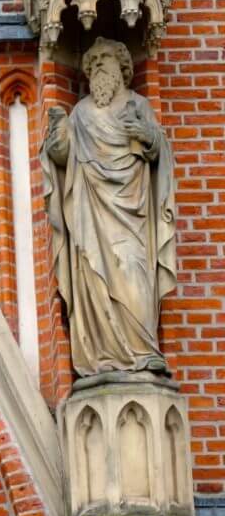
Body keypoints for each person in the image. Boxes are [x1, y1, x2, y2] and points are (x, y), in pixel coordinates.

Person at [43, 37, 176, 377]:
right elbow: (63, 157)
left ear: (124, 68)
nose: (99, 64)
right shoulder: (81, 113)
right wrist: (58, 136)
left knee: (133, 270)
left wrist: (148, 135)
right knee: (95, 279)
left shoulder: (138, 105)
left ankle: (143, 351)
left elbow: (159, 149)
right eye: (93, 61)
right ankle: (102, 354)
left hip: (133, 212)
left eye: (106, 58)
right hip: (90, 211)